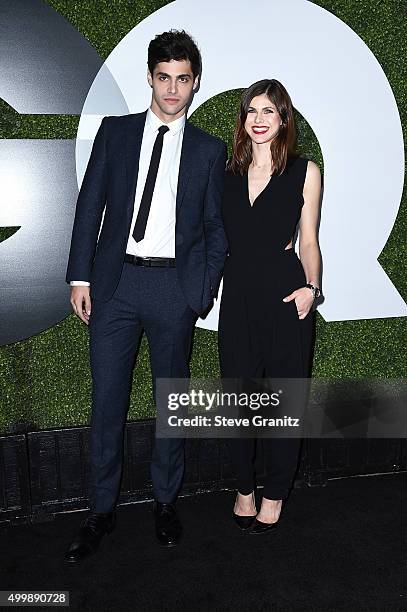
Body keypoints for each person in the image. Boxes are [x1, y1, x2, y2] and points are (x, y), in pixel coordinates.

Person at [64, 29, 227, 561]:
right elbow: (90, 207)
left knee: (170, 406)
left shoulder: (209, 149)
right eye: (164, 78)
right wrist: (80, 277)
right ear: (151, 78)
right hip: (115, 287)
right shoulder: (116, 133)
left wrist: (198, 293)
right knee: (106, 402)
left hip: (173, 289)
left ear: (195, 82)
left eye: (182, 79)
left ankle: (164, 503)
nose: (173, 89)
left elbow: (214, 229)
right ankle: (100, 512)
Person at [218, 79, 321, 534]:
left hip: (285, 295)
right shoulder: (226, 173)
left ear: (283, 121)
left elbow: (310, 240)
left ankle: (275, 493)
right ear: (243, 119)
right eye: (252, 111)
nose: (259, 120)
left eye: (269, 112)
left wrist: (312, 288)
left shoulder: (305, 170)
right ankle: (245, 488)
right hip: (237, 293)